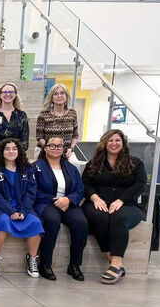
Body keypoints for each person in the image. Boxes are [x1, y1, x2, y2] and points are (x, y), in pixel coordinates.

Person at [82, 129, 146, 284]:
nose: (114, 143)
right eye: (110, 140)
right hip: (97, 202)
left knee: (119, 218)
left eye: (117, 140)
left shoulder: (135, 163)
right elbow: (86, 184)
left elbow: (140, 184)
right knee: (98, 217)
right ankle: (111, 259)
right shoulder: (93, 164)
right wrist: (95, 198)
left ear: (123, 143)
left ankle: (116, 264)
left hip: (127, 205)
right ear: (104, 143)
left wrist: (121, 200)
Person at [0, 138, 44, 278]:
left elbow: (31, 192)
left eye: (14, 149)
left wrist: (23, 211)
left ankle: (32, 258)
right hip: (0, 207)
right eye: (7, 149)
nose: (11, 151)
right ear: (1, 151)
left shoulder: (27, 169)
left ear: (19, 151)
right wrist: (10, 211)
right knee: (3, 220)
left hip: (22, 207)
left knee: (35, 222)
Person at [33, 136, 88, 281]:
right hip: (46, 203)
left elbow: (80, 189)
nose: (56, 148)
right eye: (52, 145)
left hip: (68, 203)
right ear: (45, 148)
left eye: (59, 146)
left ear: (64, 149)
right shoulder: (36, 167)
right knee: (52, 221)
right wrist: (55, 200)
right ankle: (45, 264)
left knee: (81, 223)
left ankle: (75, 265)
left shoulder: (71, 168)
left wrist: (68, 200)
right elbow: (33, 190)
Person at [0, 82, 29, 161]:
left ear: (15, 94)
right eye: (4, 92)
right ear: (0, 95)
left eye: (11, 92)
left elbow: (24, 141)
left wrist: (12, 153)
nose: (8, 94)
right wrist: (5, 153)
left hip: (16, 158)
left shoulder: (22, 115)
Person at [36, 83, 78, 160]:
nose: (59, 96)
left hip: (66, 151)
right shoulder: (43, 114)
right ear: (51, 98)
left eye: (62, 93)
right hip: (46, 150)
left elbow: (75, 135)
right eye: (55, 94)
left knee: (74, 164)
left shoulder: (73, 113)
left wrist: (71, 148)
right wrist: (50, 149)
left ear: (66, 96)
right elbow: (39, 137)